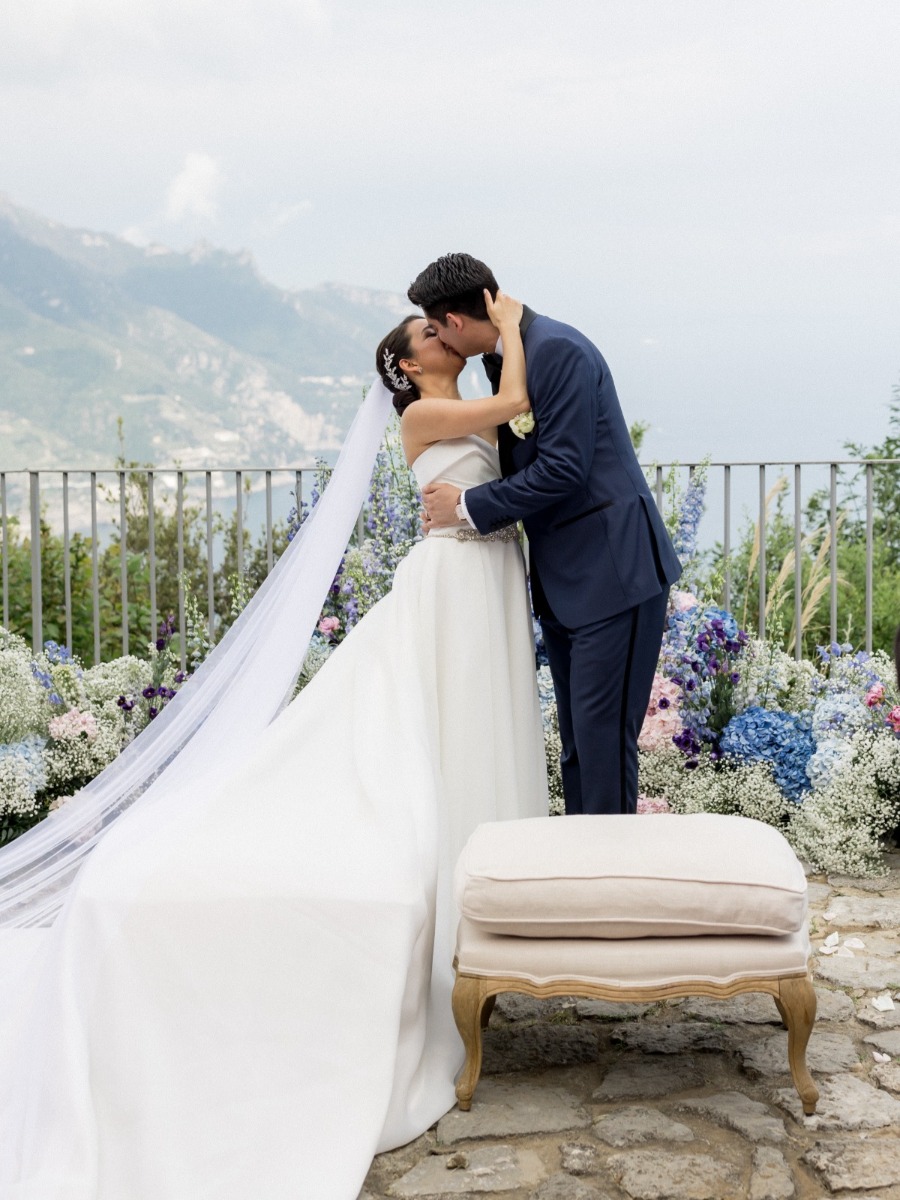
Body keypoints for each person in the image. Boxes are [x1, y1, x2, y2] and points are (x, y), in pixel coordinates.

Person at [0, 294, 548, 1200]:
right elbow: (510, 408)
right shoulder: (424, 414)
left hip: (483, 573)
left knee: (466, 731)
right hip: (449, 581)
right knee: (403, 741)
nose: (443, 336)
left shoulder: (450, 389)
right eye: (428, 334)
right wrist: (516, 326)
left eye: (443, 326)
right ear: (410, 366)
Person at [410, 253, 682, 817]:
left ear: (456, 323)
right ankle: (579, 874)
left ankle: (608, 881)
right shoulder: (505, 361)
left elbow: (564, 469)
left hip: (614, 572)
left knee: (604, 743)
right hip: (564, 582)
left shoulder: (557, 350)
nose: (437, 339)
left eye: (436, 328)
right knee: (580, 743)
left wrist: (465, 505)